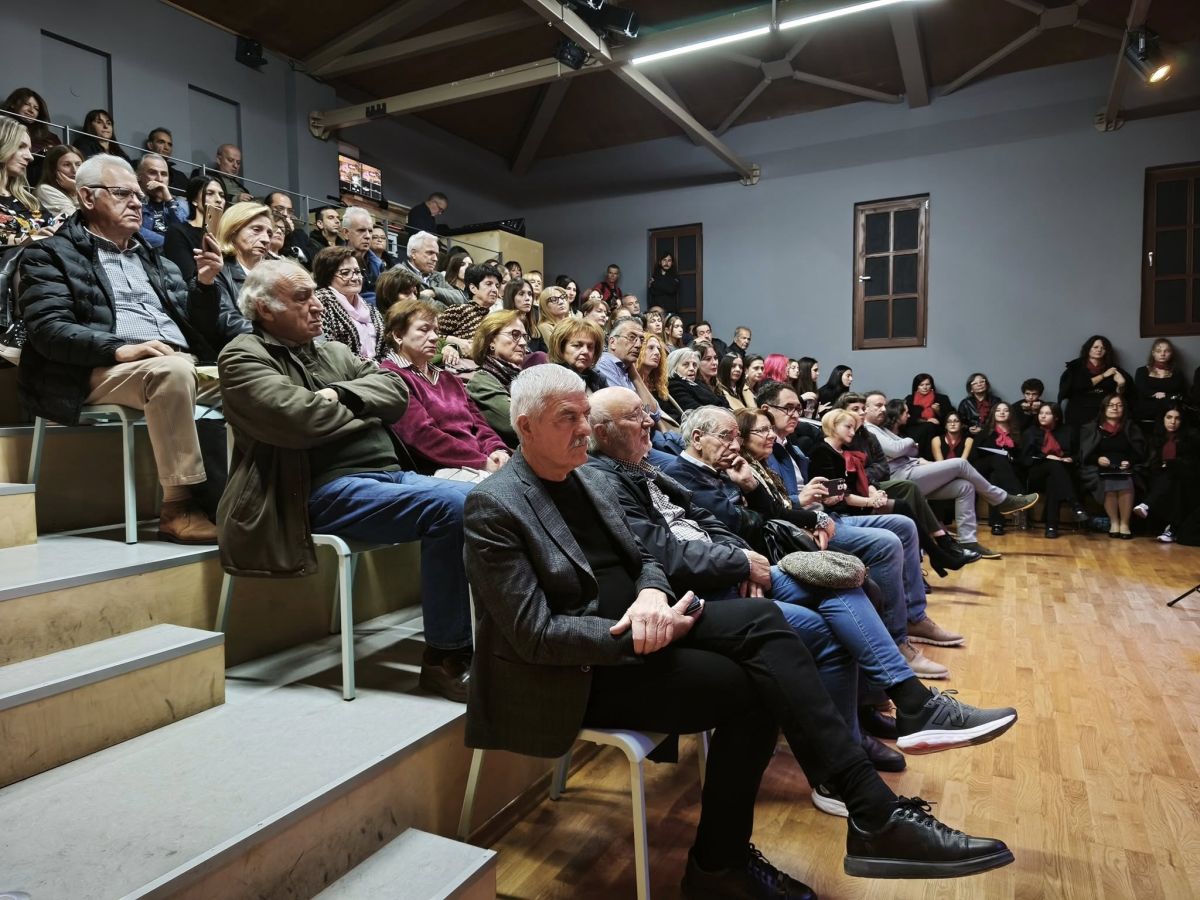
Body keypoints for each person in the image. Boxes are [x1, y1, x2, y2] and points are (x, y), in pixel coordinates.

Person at [464, 365, 1016, 894]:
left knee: (765, 622)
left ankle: (862, 806)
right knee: (757, 686)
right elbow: (533, 633)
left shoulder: (588, 478)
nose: (584, 429)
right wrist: (636, 630)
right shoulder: (495, 505)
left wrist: (652, 594)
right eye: (568, 418)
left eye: (585, 415)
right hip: (581, 669)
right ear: (526, 427)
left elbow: (648, 557)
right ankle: (755, 852)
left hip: (654, 622)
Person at [586, 388, 1018, 770]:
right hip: (702, 590)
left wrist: (743, 556)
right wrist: (742, 559)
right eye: (635, 416)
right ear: (602, 431)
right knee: (829, 618)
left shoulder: (648, 470)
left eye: (646, 413)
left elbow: (711, 523)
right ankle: (846, 754)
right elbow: (668, 550)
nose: (649, 421)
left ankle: (910, 702)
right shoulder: (615, 477)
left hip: (741, 565)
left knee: (847, 583)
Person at [216, 259, 474, 700]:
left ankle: (497, 636)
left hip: (389, 477)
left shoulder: (333, 351)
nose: (317, 305)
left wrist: (337, 396)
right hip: (315, 490)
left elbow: (394, 392)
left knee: (488, 498)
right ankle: (445, 657)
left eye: (315, 295)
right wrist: (363, 410)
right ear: (264, 308)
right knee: (454, 506)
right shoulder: (242, 356)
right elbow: (298, 420)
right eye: (302, 298)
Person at [18, 154, 225, 542]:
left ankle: (253, 503)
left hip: (175, 360)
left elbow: (199, 328)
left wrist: (205, 285)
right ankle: (178, 507)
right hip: (95, 370)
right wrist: (118, 349)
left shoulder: (155, 260)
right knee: (172, 372)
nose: (136, 202)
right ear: (87, 197)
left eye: (139, 196)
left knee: (253, 376)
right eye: (122, 193)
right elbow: (48, 329)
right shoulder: (48, 254)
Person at [864, 392, 1037, 560]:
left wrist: (906, 447)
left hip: (911, 470)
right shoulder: (869, 428)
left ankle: (968, 542)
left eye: (884, 405)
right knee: (960, 464)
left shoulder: (880, 429)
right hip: (901, 477)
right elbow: (898, 449)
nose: (884, 409)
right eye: (878, 405)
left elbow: (911, 451)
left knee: (965, 487)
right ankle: (1002, 500)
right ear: (866, 408)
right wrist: (909, 441)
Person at [382, 299, 509, 475]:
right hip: (440, 471)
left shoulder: (448, 378)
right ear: (398, 335)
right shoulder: (391, 376)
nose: (434, 337)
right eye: (424, 329)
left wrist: (496, 450)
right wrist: (481, 462)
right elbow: (421, 435)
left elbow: (479, 424)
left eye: (435, 330)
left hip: (481, 462)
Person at [1080, 394, 1146, 539]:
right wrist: (1098, 459)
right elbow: (1085, 454)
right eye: (1110, 405)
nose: (1115, 408)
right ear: (1104, 408)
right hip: (1099, 468)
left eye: (1119, 405)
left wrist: (1129, 461)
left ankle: (1125, 524)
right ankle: (1114, 522)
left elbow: (1139, 452)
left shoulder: (1130, 427)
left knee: (1126, 480)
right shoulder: (1092, 428)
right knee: (1108, 480)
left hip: (1125, 468)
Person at [1018, 402, 1089, 539]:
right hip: (1036, 473)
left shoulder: (1068, 431)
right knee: (1053, 465)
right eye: (1041, 413)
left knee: (1053, 481)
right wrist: (1045, 457)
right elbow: (1025, 459)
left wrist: (1070, 459)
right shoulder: (1031, 432)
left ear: (1056, 416)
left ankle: (1051, 527)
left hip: (1062, 474)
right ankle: (1075, 505)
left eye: (1047, 413)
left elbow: (1077, 454)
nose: (1043, 416)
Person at [466, 309, 528, 448]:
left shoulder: (521, 378)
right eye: (515, 335)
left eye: (524, 336)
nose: (523, 342)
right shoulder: (481, 383)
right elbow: (519, 425)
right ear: (491, 341)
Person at [1138, 406, 1199, 543]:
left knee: (1175, 481)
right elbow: (1151, 463)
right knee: (1169, 480)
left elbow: (1192, 463)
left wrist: (1171, 464)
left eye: (1177, 418)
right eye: (1169, 417)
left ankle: (1147, 505)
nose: (1173, 422)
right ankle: (1171, 529)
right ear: (1163, 419)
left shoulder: (1191, 438)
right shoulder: (1156, 438)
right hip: (1160, 477)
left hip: (1186, 478)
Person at [313, 246, 384, 361]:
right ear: (327, 276)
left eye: (357, 272)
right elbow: (327, 351)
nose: (355, 278)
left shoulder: (370, 308)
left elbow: (385, 347)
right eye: (345, 273)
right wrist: (370, 365)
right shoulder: (320, 304)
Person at [972, 402, 1027, 536]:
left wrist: (1011, 457)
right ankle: (1018, 495)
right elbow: (974, 455)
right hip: (984, 467)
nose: (1002, 412)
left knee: (995, 477)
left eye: (1005, 410)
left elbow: (1023, 458)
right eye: (998, 410)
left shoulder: (1017, 435)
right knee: (997, 458)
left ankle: (997, 523)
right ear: (993, 414)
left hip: (1007, 471)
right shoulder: (984, 433)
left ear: (1010, 414)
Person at [1, 119, 56, 246]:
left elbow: (55, 227)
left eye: (29, 149)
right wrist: (26, 240)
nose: (30, 157)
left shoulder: (28, 200)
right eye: (20, 146)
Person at [594, 317, 662, 420]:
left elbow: (654, 413)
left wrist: (636, 378)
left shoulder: (628, 370)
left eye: (641, 340)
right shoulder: (604, 364)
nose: (638, 345)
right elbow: (625, 410)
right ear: (613, 342)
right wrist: (645, 412)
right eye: (631, 337)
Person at [1058, 335, 1130, 430]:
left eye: (1103, 348)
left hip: (1103, 412)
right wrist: (1103, 375)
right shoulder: (1075, 367)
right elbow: (1076, 386)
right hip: (1079, 411)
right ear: (1088, 349)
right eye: (1095, 347)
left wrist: (1121, 384)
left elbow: (1119, 396)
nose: (1099, 350)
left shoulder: (1113, 369)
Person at [438, 262, 503, 368]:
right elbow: (431, 335)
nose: (495, 290)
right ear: (473, 288)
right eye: (488, 284)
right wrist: (454, 341)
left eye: (497, 285)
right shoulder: (459, 310)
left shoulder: (493, 319)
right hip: (458, 369)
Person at [162, 175, 225, 283]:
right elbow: (187, 277)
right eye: (210, 193)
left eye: (222, 195)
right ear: (194, 200)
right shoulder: (178, 232)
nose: (219, 200)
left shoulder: (228, 234)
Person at [135, 154, 186, 248]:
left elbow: (185, 233)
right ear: (138, 176)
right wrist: (169, 243)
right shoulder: (133, 201)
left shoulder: (177, 204)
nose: (159, 179)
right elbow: (134, 230)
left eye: (164, 174)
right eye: (152, 173)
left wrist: (169, 200)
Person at [1133, 338, 1186, 429]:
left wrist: (1165, 396)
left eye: (1166, 351)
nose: (1162, 354)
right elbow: (1141, 390)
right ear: (1153, 353)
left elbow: (1180, 393)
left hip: (1170, 413)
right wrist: (1154, 394)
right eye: (1158, 351)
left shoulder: (1177, 373)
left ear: (1171, 353)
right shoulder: (1142, 371)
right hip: (1147, 410)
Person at [548, 317, 607, 395]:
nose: (585, 351)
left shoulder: (598, 378)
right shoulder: (551, 379)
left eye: (590, 347)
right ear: (560, 348)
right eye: (577, 345)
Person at [636, 332, 681, 427]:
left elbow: (673, 413)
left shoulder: (658, 385)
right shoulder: (630, 382)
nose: (657, 353)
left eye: (659, 349)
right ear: (639, 350)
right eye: (651, 348)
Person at [340, 207, 383, 305]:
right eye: (361, 230)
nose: (367, 236)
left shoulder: (378, 264)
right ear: (346, 233)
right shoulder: (334, 263)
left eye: (370, 231)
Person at [669, 343, 728, 412]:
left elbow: (723, 403)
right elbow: (696, 411)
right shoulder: (674, 384)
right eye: (686, 364)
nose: (692, 368)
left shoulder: (697, 383)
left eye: (694, 365)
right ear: (674, 367)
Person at [264, 191, 316, 269]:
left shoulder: (299, 234)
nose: (285, 214)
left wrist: (290, 234)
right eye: (280, 208)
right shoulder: (262, 229)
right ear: (267, 208)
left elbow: (316, 255)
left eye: (289, 211)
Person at [907, 373, 953, 452]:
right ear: (917, 386)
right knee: (928, 425)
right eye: (921, 385)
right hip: (915, 430)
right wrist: (926, 421)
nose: (925, 387)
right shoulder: (910, 399)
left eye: (927, 384)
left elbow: (950, 418)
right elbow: (907, 419)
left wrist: (938, 412)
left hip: (936, 430)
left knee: (930, 426)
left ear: (931, 385)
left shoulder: (942, 398)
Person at [35, 145, 82, 218]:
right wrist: (76, 192)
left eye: (78, 164)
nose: (74, 170)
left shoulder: (89, 188)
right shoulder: (45, 190)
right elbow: (73, 220)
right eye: (67, 165)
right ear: (53, 169)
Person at [501, 278, 544, 354]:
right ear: (511, 297)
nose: (527, 298)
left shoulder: (534, 328)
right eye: (521, 294)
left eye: (530, 294)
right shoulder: (502, 326)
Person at [142, 128, 189, 196]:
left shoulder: (180, 177)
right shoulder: (136, 166)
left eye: (169, 144)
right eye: (161, 142)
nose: (166, 147)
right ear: (150, 145)